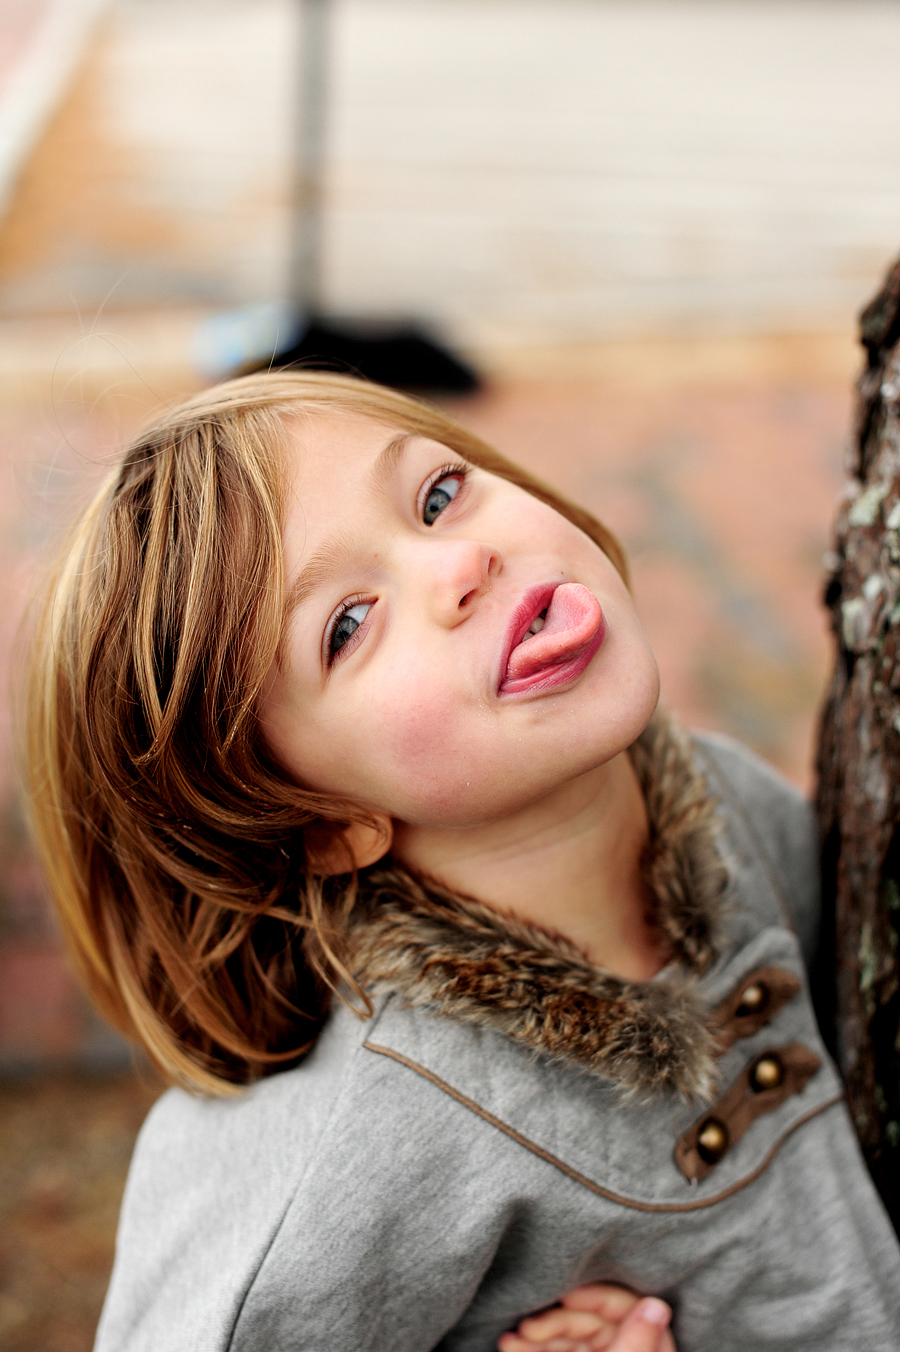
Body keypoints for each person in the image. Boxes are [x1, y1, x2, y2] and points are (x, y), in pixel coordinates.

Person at [24, 371, 900, 1352]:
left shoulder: (725, 803)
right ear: (320, 820)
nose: (461, 563)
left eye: (438, 495)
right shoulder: (358, 1151)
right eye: (348, 625)